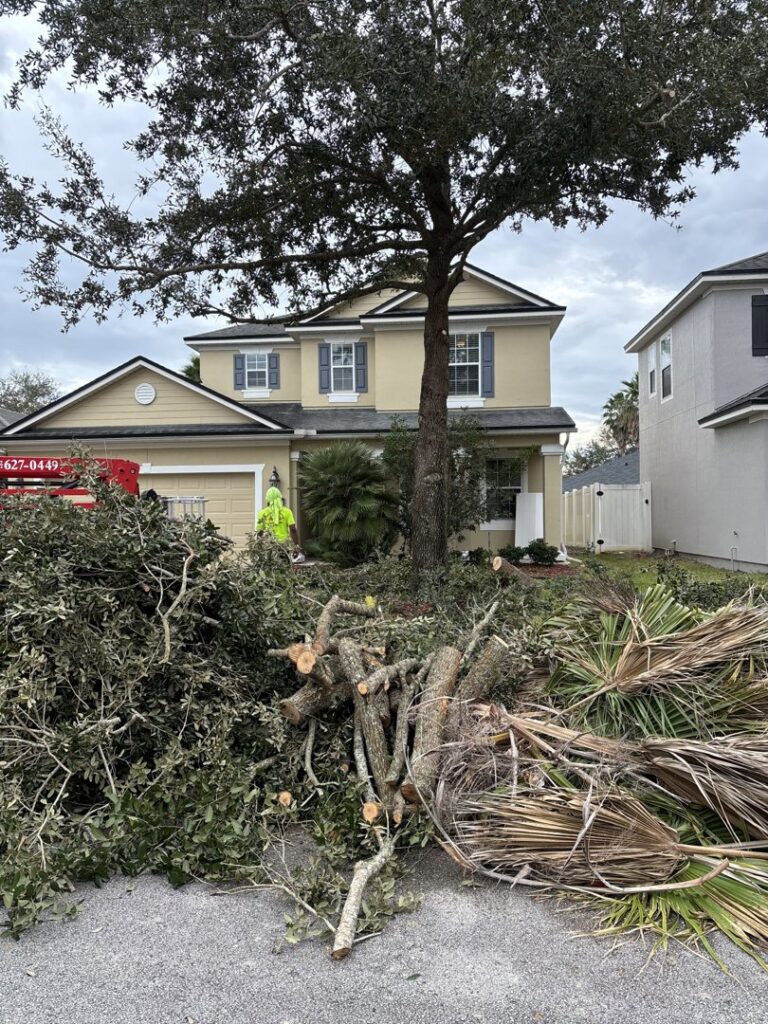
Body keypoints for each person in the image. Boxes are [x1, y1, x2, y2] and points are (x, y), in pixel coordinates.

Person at [256, 486, 303, 560]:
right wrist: (296, 546)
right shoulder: (287, 511)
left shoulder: (262, 513)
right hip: (283, 547)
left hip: (269, 547)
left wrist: (257, 548)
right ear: (279, 497)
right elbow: (293, 530)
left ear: (267, 498)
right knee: (284, 568)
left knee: (269, 569)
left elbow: (259, 532)